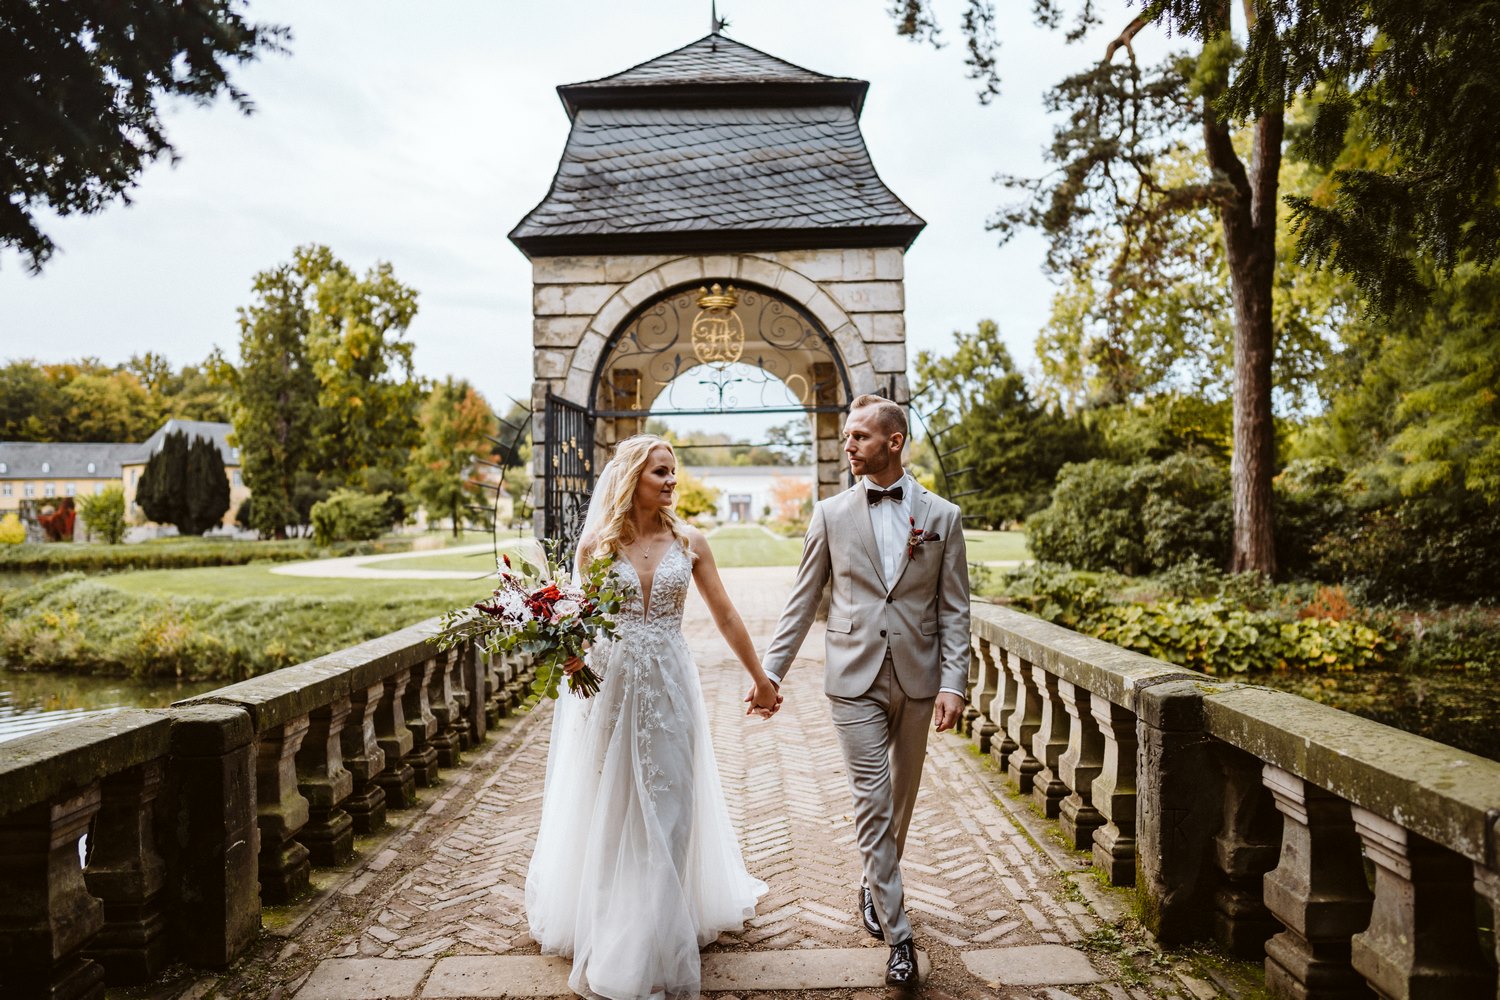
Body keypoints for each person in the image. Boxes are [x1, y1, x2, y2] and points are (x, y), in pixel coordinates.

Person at [526, 434, 782, 1000]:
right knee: (614, 807)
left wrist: (761, 679)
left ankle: (658, 930)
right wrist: (567, 652)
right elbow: (580, 622)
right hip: (611, 690)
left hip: (670, 688)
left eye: (673, 472)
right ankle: (618, 921)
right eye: (660, 472)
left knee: (670, 805)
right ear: (633, 477)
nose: (671, 481)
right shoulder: (596, 545)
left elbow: (726, 614)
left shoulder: (691, 541)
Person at [758, 393, 971, 987]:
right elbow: (803, 602)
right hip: (852, 679)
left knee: (900, 800)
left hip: (919, 678)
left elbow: (955, 610)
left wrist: (955, 682)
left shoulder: (942, 517)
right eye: (847, 437)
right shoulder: (829, 514)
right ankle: (901, 939)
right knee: (872, 803)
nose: (847, 445)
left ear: (893, 442)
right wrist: (770, 674)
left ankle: (874, 881)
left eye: (859, 437)